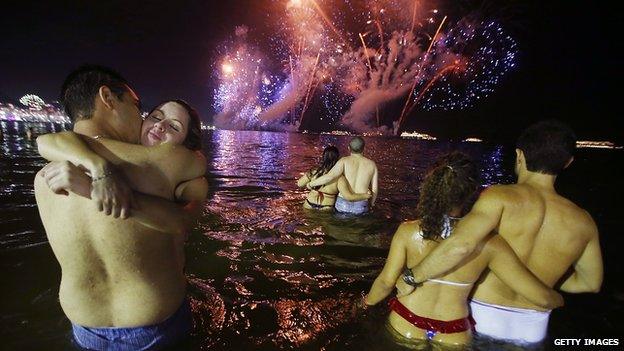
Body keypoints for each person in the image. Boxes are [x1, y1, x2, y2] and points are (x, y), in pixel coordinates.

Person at [34, 65, 207, 350]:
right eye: (139, 107)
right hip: (155, 327)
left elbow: (46, 141)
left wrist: (94, 174)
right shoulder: (163, 161)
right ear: (108, 98)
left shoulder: (43, 178)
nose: (142, 118)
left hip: (85, 330)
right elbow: (197, 165)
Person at [401, 120, 603, 345]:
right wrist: (543, 283)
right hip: (534, 325)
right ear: (568, 162)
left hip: (481, 316)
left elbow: (461, 245)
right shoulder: (584, 221)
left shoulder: (498, 198)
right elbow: (590, 283)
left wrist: (412, 276)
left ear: (519, 155)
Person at [363, 152, 563, 348]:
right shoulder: (490, 243)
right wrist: (560, 300)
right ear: (473, 191)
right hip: (454, 332)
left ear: (432, 186)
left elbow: (386, 282)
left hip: (406, 321)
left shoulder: (408, 231)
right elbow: (540, 297)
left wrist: (364, 305)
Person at [307, 136, 378, 215]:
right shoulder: (372, 165)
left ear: (348, 148)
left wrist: (311, 184)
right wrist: (372, 204)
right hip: (361, 204)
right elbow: (374, 189)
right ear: (364, 148)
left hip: (343, 204)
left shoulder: (344, 161)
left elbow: (329, 177)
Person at [296, 145, 371, 211]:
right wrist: (365, 195)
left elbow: (299, 184)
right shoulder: (339, 178)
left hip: (309, 204)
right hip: (326, 207)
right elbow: (348, 196)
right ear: (337, 159)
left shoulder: (314, 171)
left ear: (323, 157)